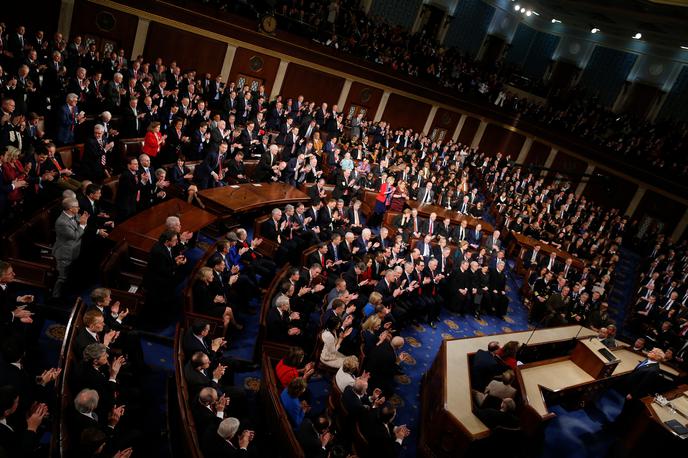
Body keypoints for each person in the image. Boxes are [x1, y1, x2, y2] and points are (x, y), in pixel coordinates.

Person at [52, 197, 88, 299]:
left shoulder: (75, 214)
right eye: (77, 206)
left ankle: (65, 295)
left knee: (69, 276)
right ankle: (55, 298)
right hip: (64, 253)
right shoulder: (61, 222)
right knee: (62, 277)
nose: (79, 208)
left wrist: (83, 221)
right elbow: (75, 235)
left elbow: (81, 225)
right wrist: (82, 225)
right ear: (71, 208)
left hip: (74, 251)